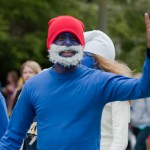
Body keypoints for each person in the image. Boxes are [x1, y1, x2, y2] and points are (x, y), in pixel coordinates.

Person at [0, 14, 150, 150]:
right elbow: (12, 139)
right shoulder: (34, 85)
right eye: (61, 38)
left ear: (82, 46)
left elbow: (143, 88)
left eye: (73, 39)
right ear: (50, 44)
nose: (67, 44)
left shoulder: (97, 80)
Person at [81, 30, 131, 150]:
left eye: (83, 56)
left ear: (97, 60)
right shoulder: (78, 87)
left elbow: (120, 138)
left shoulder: (117, 89)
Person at [12, 60, 42, 150]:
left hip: (37, 132)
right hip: (22, 130)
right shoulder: (19, 92)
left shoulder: (42, 91)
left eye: (30, 72)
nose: (27, 75)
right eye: (25, 72)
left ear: (37, 73)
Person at [129, 72, 150, 150]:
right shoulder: (132, 96)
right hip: (135, 125)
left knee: (138, 145)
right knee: (142, 145)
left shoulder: (146, 96)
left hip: (146, 124)